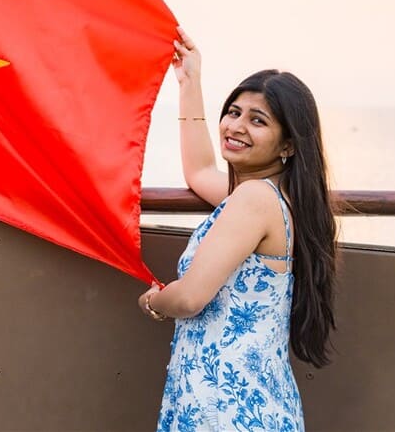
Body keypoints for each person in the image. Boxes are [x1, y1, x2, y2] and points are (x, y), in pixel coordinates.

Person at [138, 27, 337, 432]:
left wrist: (155, 301)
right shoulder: (271, 198)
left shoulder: (254, 200)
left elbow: (190, 297)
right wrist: (190, 81)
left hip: (226, 408)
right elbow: (199, 172)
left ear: (288, 145)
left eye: (257, 120)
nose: (237, 126)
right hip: (247, 403)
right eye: (233, 113)